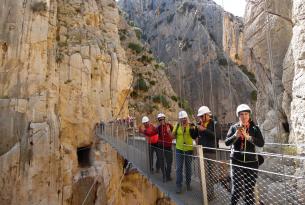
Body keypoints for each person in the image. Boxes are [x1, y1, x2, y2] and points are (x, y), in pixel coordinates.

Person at [225, 104, 264, 205]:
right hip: (236, 161)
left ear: (249, 115)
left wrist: (249, 137)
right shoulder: (234, 128)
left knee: (249, 192)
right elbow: (227, 143)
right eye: (241, 114)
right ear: (238, 116)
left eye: (246, 114)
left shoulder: (255, 128)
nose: (244, 116)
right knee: (237, 190)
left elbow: (261, 143)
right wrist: (235, 135)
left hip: (252, 163)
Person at [193, 106, 219, 201]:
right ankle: (205, 194)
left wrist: (204, 130)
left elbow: (216, 135)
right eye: (199, 117)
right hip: (201, 152)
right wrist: (194, 129)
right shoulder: (200, 123)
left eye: (201, 116)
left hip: (211, 152)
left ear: (206, 115)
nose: (200, 118)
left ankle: (211, 194)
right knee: (203, 175)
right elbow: (194, 136)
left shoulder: (214, 123)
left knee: (211, 175)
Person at [174, 111, 197, 193]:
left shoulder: (191, 125)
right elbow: (173, 135)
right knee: (179, 168)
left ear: (187, 118)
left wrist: (197, 147)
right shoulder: (177, 125)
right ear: (179, 119)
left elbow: (195, 136)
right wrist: (170, 132)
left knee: (188, 168)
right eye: (181, 119)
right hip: (179, 149)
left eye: (184, 118)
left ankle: (188, 184)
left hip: (189, 149)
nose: (183, 120)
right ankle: (178, 186)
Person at [156, 113, 174, 182]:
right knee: (162, 162)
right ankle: (164, 176)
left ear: (164, 119)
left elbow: (174, 133)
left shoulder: (169, 126)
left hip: (168, 146)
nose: (161, 121)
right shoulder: (158, 128)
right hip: (160, 146)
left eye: (162, 119)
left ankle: (168, 175)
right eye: (160, 120)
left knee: (169, 162)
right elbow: (152, 133)